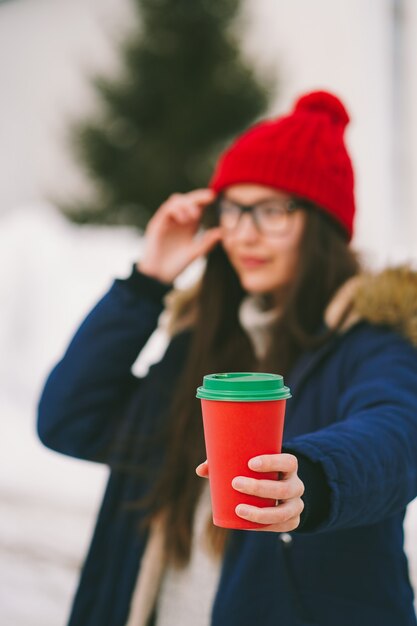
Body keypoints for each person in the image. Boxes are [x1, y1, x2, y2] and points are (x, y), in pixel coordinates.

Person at [37, 90, 417, 626]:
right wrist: (145, 284)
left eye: (272, 210)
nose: (244, 233)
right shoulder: (202, 346)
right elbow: (70, 421)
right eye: (233, 209)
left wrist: (310, 476)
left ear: (323, 226)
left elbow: (398, 436)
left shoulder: (371, 343)